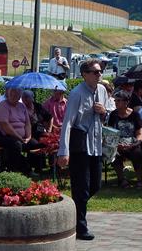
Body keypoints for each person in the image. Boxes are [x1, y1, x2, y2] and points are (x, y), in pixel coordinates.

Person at [57, 59, 110, 241]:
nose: (99, 74)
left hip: (96, 145)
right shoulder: (77, 93)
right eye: (95, 72)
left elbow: (106, 118)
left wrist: (103, 111)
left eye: (100, 71)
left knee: (95, 185)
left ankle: (72, 213)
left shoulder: (102, 91)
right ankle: (80, 227)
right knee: (81, 188)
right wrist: (63, 151)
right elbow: (68, 123)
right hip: (80, 146)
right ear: (85, 74)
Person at [0, 87, 44, 175]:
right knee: (16, 145)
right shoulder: (3, 105)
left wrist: (28, 137)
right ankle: (19, 169)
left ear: (20, 96)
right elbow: (5, 125)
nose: (14, 96)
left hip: (22, 136)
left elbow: (27, 123)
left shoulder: (22, 106)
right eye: (11, 94)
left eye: (16, 95)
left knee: (36, 144)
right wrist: (19, 137)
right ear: (7, 95)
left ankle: (35, 168)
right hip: (4, 134)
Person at [108, 90, 142, 189]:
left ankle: (139, 180)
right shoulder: (113, 115)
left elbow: (140, 133)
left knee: (137, 153)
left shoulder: (135, 115)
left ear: (126, 102)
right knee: (114, 154)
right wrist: (117, 144)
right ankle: (122, 180)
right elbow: (110, 133)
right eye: (115, 101)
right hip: (118, 143)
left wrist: (135, 143)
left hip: (132, 143)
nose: (116, 103)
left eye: (118, 101)